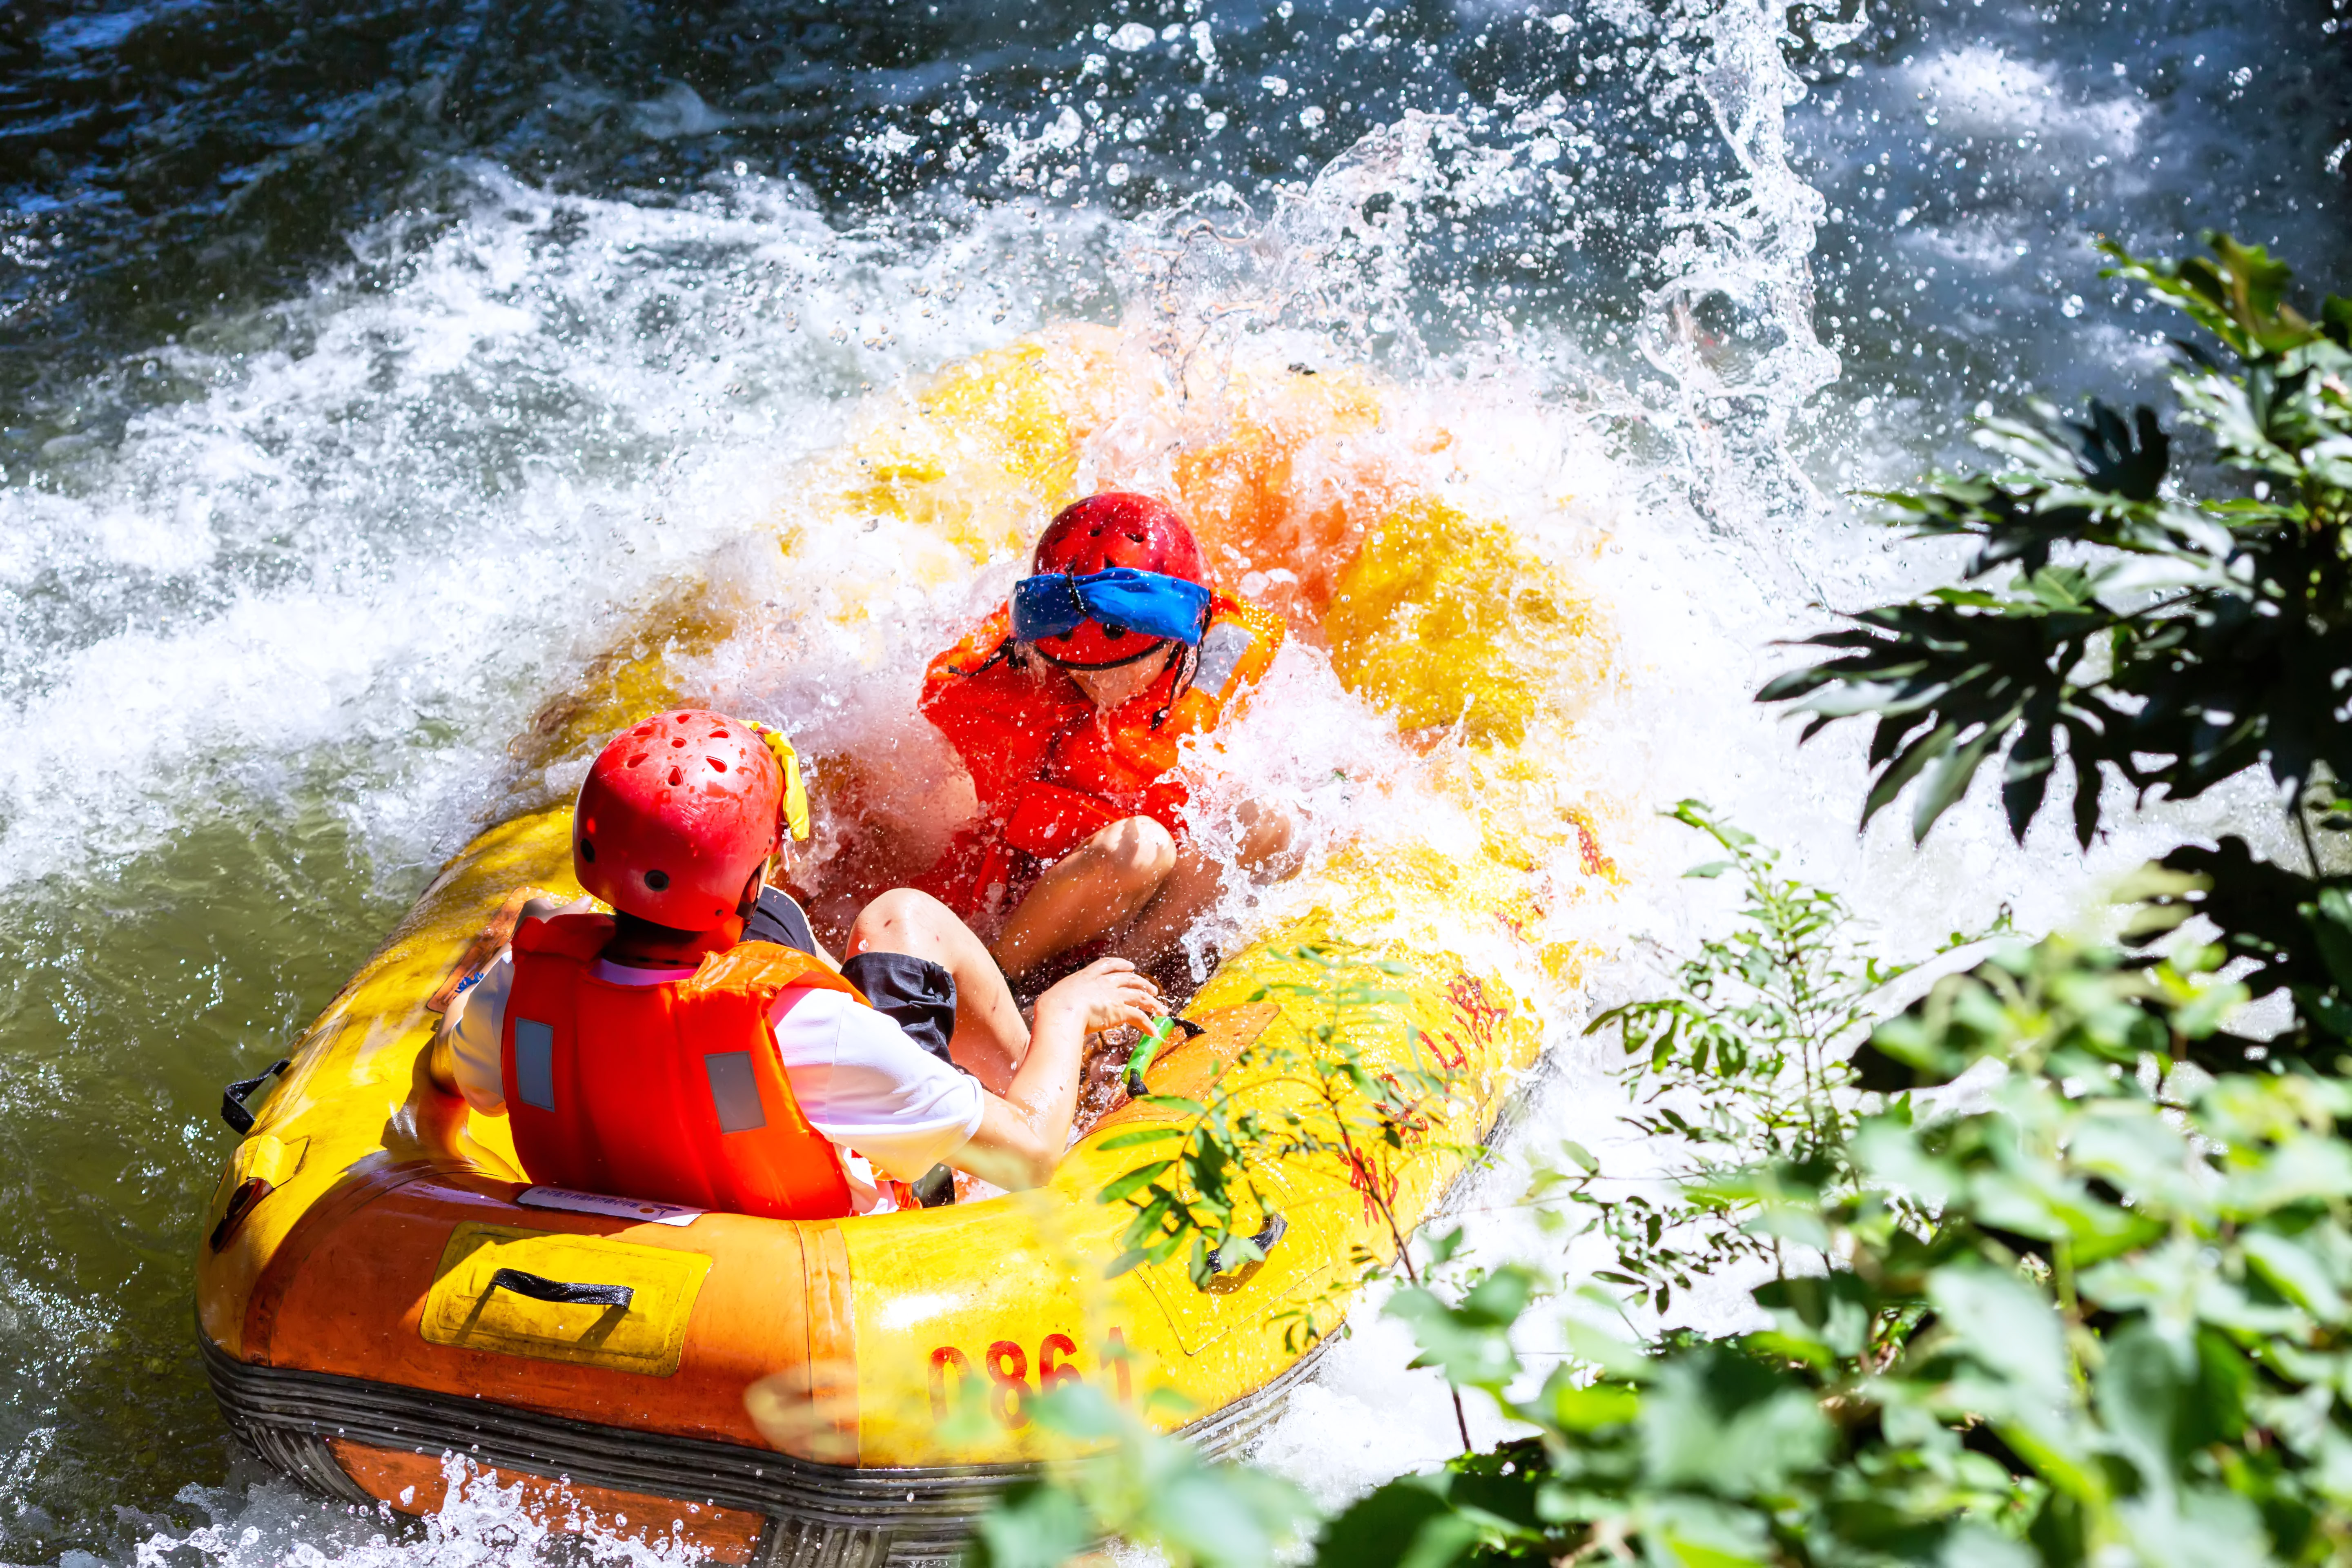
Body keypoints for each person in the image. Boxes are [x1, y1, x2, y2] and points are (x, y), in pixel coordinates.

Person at [440, 707, 1159, 1218]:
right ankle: (1029, 1083)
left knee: (884, 922)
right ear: (747, 882)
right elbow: (1027, 1160)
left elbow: (448, 1075)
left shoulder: (520, 988)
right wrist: (1063, 1012)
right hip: (821, 1260)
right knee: (905, 921)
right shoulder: (809, 1028)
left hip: (628, 1215)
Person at [920, 492, 1297, 982]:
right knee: (1142, 847)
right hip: (1045, 897)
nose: (1100, 684)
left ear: (1177, 641)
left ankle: (1127, 975)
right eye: (1076, 667)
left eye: (1124, 663)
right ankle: (1000, 986)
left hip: (1150, 906)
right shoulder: (1015, 655)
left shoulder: (1223, 653)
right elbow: (931, 705)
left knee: (1269, 820)